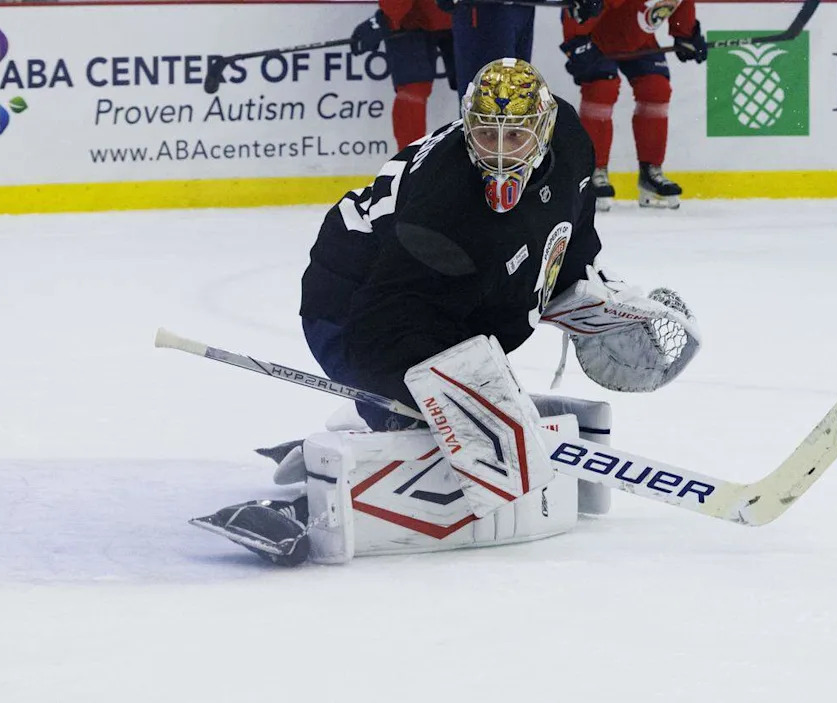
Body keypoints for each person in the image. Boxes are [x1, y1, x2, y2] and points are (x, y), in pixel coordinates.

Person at [191, 58, 700, 566]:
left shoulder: (570, 140)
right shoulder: (447, 205)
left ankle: (381, 419)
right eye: (484, 135)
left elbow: (567, 231)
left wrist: (585, 290)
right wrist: (427, 404)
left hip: (434, 294)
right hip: (351, 307)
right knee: (460, 419)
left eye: (515, 137)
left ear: (544, 129)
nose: (498, 154)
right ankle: (336, 474)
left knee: (473, 398)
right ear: (465, 126)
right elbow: (384, 323)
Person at [560, 0, 707, 210]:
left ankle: (651, 171)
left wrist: (686, 35)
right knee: (602, 87)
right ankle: (592, 171)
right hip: (597, 35)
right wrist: (575, 42)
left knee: (656, 88)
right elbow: (584, 8)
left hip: (639, 39)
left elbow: (683, 6)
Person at [435, 0, 603, 102]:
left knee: (516, 102)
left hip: (521, 8)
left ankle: (507, 159)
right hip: (485, 9)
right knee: (488, 105)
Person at [349, 0, 455, 150]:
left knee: (477, 86)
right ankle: (409, 161)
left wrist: (389, 16)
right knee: (414, 89)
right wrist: (392, 15)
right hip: (424, 15)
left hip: (464, 12)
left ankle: (409, 162)